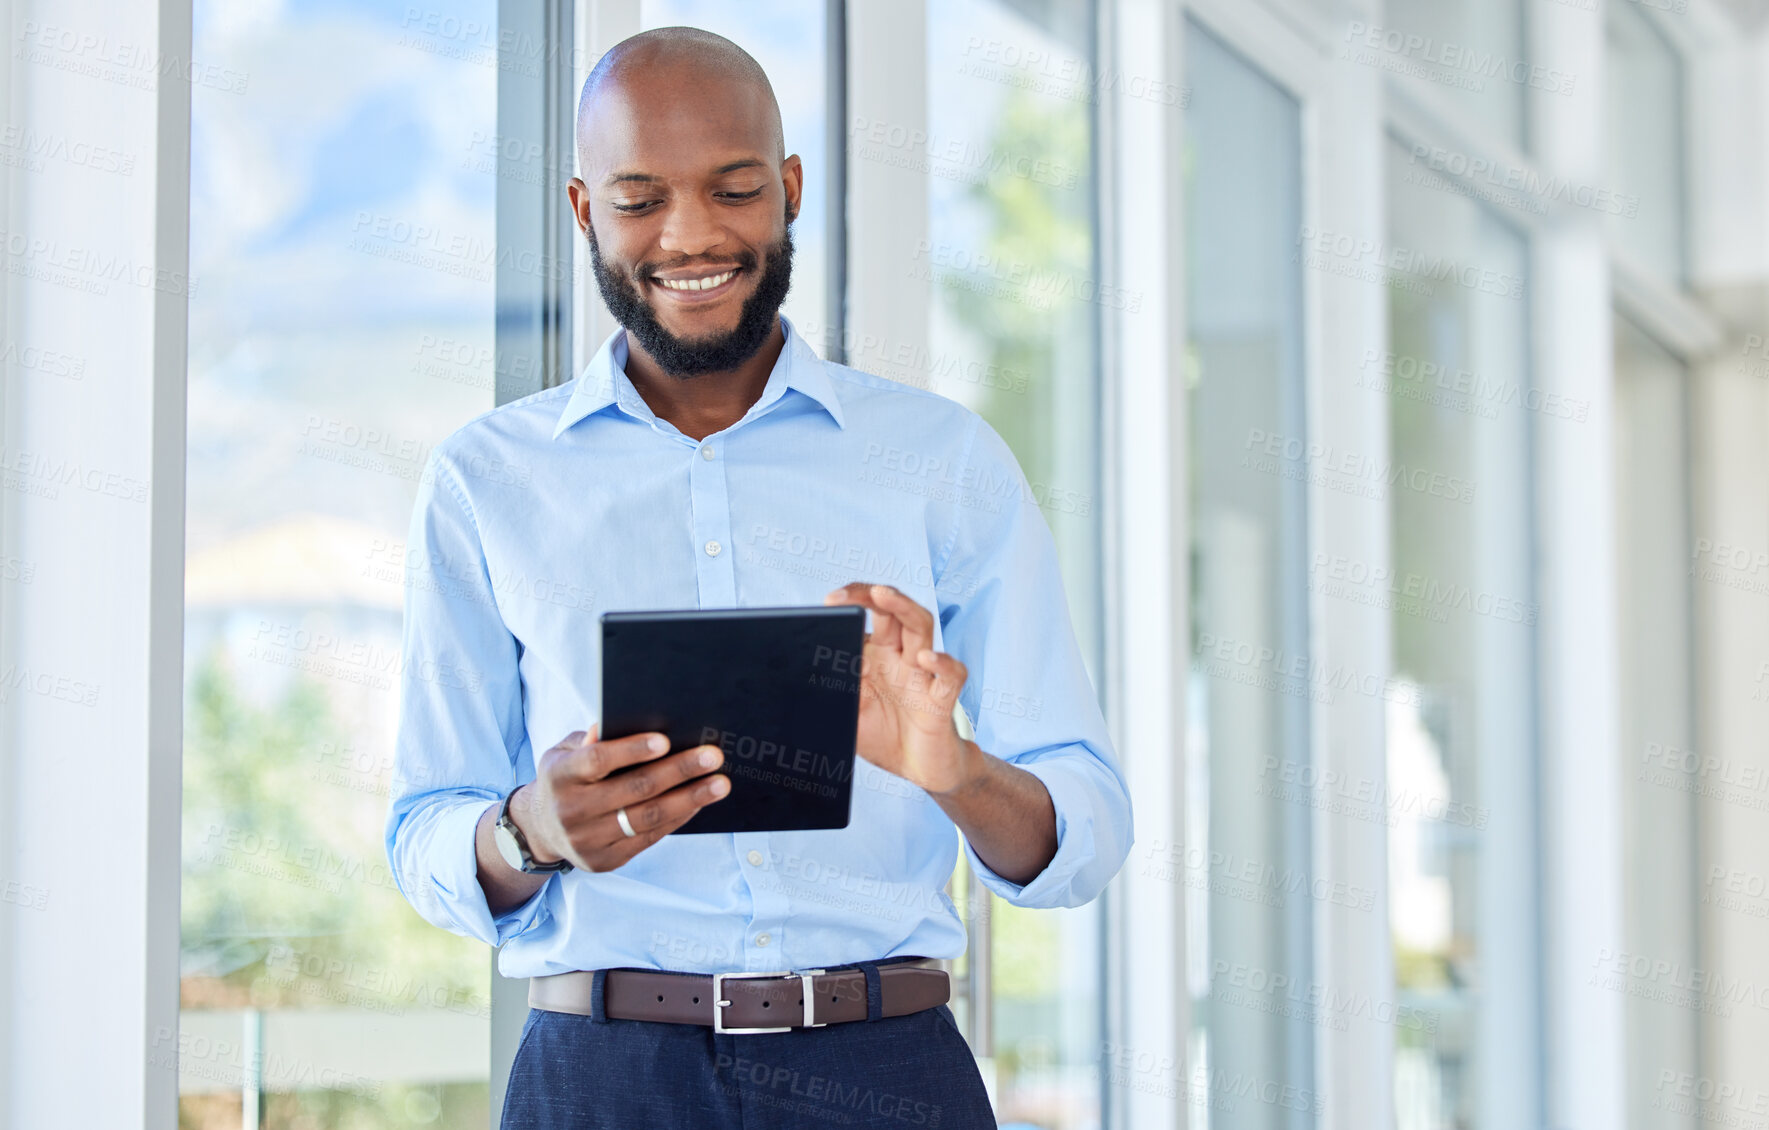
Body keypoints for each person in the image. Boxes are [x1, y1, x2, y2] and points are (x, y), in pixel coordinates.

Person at [386, 25, 1132, 1129]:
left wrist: (954, 769)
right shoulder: (486, 481)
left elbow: (1086, 825)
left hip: (888, 1072)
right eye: (639, 200)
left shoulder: (940, 461)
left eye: (733, 189)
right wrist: (529, 829)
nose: (690, 235)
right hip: (599, 1082)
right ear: (586, 210)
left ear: (786, 190)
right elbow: (423, 830)